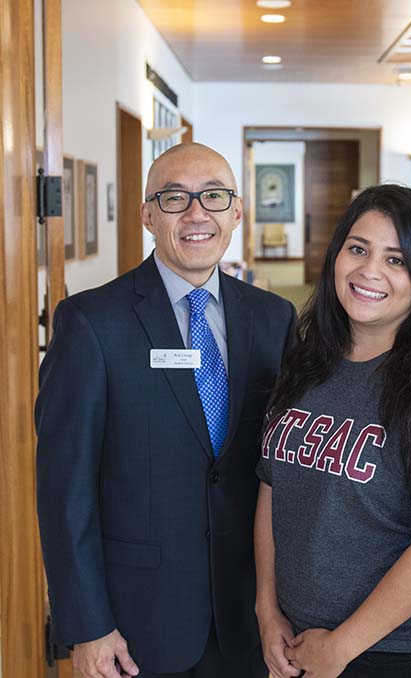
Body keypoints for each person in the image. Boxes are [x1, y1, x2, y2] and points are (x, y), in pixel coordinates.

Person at [36, 142, 296, 678]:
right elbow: (65, 490)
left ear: (237, 211)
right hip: (135, 626)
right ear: (147, 215)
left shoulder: (275, 320)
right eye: (175, 198)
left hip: (248, 617)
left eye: (214, 196)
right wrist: (87, 625)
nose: (197, 213)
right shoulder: (91, 323)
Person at [254, 184, 411, 678]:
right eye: (358, 248)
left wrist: (339, 648)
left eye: (397, 260)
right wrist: (267, 611)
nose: (369, 271)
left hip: (405, 654)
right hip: (299, 645)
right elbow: (273, 491)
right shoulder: (306, 363)